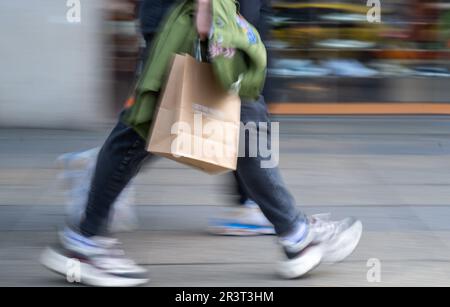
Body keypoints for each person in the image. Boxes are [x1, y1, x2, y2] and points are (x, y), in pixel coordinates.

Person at [41, 0, 363, 286]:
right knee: (160, 123)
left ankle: (295, 233)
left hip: (209, 13)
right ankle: (85, 240)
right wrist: (208, 8)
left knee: (235, 121)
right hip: (194, 15)